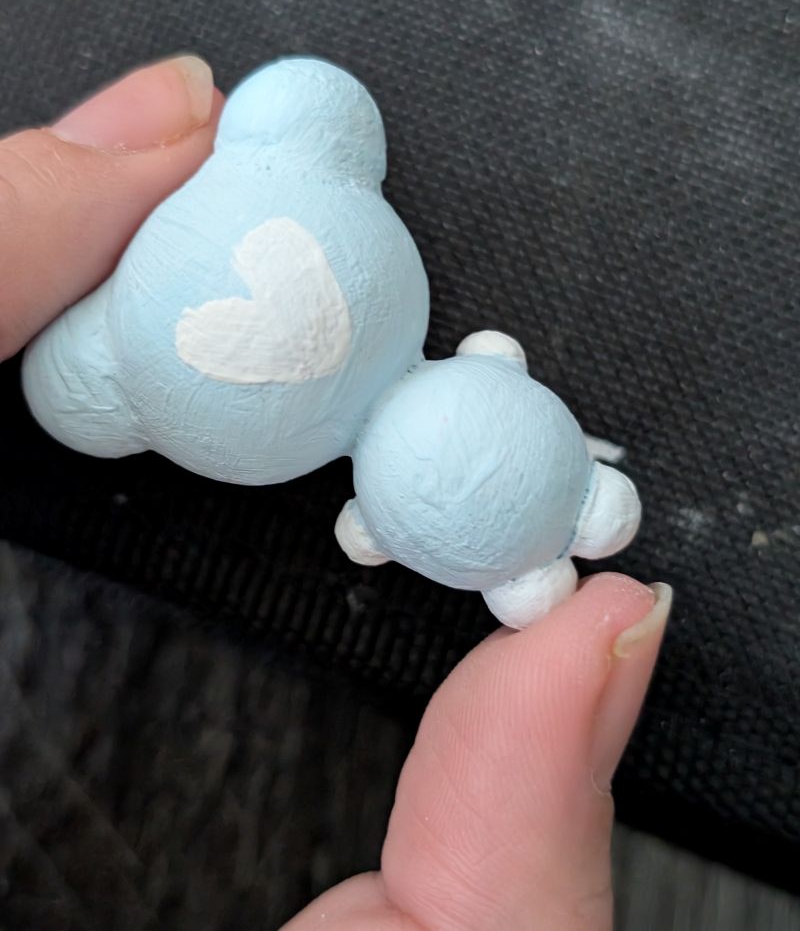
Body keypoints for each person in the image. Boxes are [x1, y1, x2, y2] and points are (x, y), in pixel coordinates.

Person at [0, 56, 672, 931]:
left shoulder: (337, 347)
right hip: (149, 339)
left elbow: (316, 107)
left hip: (148, 339)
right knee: (70, 391)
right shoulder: (357, 337)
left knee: (70, 392)